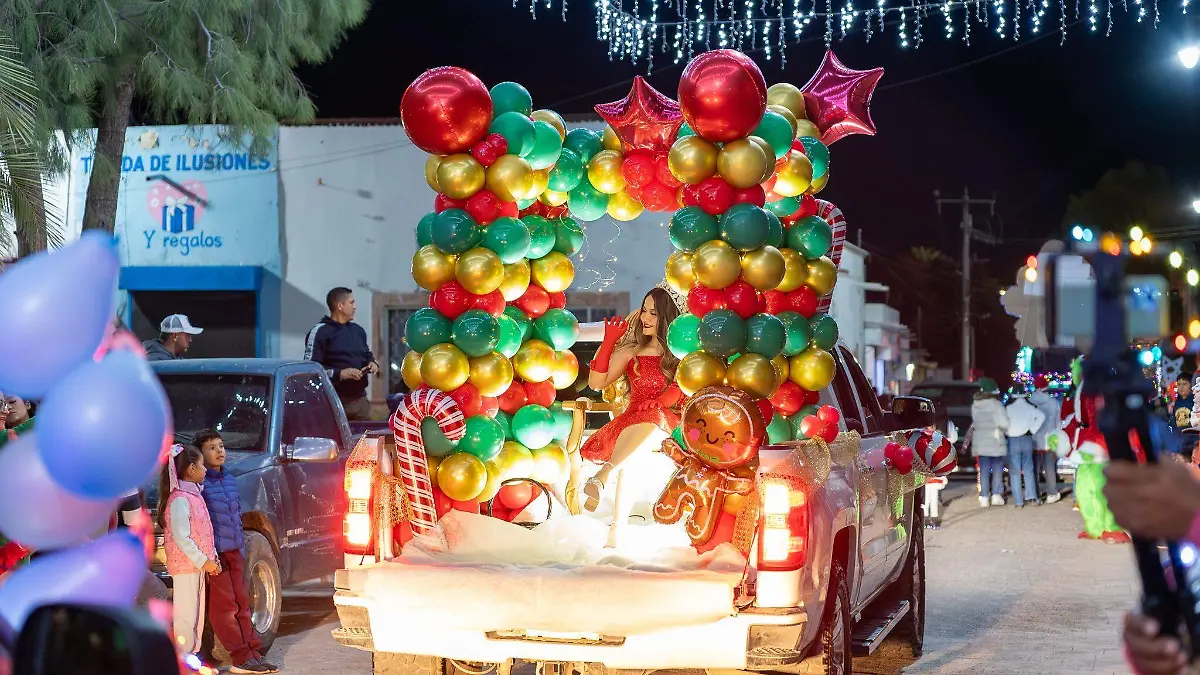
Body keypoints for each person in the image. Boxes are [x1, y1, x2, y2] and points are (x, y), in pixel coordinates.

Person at [576, 288, 683, 547]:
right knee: (633, 455)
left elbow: (683, 386)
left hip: (670, 422)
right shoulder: (632, 351)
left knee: (652, 418)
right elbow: (596, 382)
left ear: (666, 317)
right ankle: (615, 532)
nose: (645, 317)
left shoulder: (681, 352)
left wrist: (660, 401)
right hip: (633, 422)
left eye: (653, 313)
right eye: (644, 310)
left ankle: (603, 477)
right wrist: (609, 342)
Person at [196, 430, 277, 674]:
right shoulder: (199, 485)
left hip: (234, 552)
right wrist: (210, 555)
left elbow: (235, 517)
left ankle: (252, 652)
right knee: (224, 608)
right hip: (217, 555)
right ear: (199, 455)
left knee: (243, 604)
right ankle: (239, 657)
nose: (219, 451)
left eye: (221, 446)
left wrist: (240, 548)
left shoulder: (229, 478)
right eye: (211, 447)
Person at [157, 445, 221, 661]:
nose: (205, 469)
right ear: (191, 468)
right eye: (202, 464)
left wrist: (212, 559)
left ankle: (192, 655)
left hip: (198, 566)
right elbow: (182, 538)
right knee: (186, 614)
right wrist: (204, 561)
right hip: (186, 567)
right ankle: (184, 658)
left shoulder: (193, 496)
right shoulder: (180, 500)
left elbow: (204, 532)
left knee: (196, 613)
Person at [1061, 356, 1129, 542]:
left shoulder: (1099, 391)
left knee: (1103, 488)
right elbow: (1077, 418)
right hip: (1085, 445)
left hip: (1099, 445)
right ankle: (1094, 525)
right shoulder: (1082, 390)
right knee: (1085, 490)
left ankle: (1112, 526)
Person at [304, 287, 379, 421]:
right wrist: (340, 374)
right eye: (351, 302)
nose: (355, 307)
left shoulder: (358, 331)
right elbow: (310, 369)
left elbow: (366, 354)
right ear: (340, 306)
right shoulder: (320, 332)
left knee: (365, 440)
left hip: (360, 402)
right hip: (332, 402)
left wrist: (372, 363)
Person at [970, 377, 1010, 508]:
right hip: (995, 440)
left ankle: (984, 497)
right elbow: (1004, 423)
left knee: (984, 470)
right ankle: (997, 496)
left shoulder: (975, 405)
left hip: (980, 441)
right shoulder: (997, 405)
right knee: (997, 469)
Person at [1004, 385, 1045, 508]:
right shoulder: (1030, 407)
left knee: (1015, 471)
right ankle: (1032, 497)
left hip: (1013, 440)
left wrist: (1007, 432)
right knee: (1028, 469)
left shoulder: (1008, 408)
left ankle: (1018, 501)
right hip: (1027, 439)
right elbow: (1042, 416)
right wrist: (1032, 430)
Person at [1029, 375, 1063, 503]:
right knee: (1050, 468)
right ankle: (1051, 493)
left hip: (1034, 439)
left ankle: (1036, 494)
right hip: (1050, 439)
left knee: (1034, 468)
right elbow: (1058, 422)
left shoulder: (1030, 401)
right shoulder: (1053, 402)